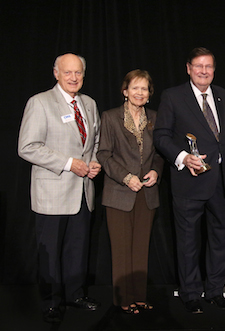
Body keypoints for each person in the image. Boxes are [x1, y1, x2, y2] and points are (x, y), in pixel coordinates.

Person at [18, 53, 101, 323]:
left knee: (78, 249)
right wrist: (68, 163)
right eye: (68, 73)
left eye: (78, 73)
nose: (74, 78)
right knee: (50, 252)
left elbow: (95, 142)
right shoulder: (40, 102)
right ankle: (51, 302)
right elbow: (27, 147)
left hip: (82, 191)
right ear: (56, 73)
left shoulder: (88, 104)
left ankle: (75, 295)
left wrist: (95, 162)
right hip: (52, 192)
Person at [153, 47, 225, 314]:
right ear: (188, 68)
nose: (204, 71)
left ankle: (215, 291)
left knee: (221, 239)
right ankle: (190, 294)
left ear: (214, 69)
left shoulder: (223, 95)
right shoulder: (173, 96)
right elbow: (161, 136)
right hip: (190, 181)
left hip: (222, 182)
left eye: (208, 66)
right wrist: (182, 158)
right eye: (198, 66)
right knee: (188, 241)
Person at [97, 70, 164, 314]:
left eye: (144, 89)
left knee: (140, 248)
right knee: (122, 248)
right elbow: (103, 153)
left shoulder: (156, 118)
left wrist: (156, 172)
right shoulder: (111, 117)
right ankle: (122, 298)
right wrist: (126, 178)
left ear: (149, 94)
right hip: (119, 192)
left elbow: (159, 154)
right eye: (135, 88)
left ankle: (139, 296)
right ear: (125, 91)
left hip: (147, 193)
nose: (139, 92)